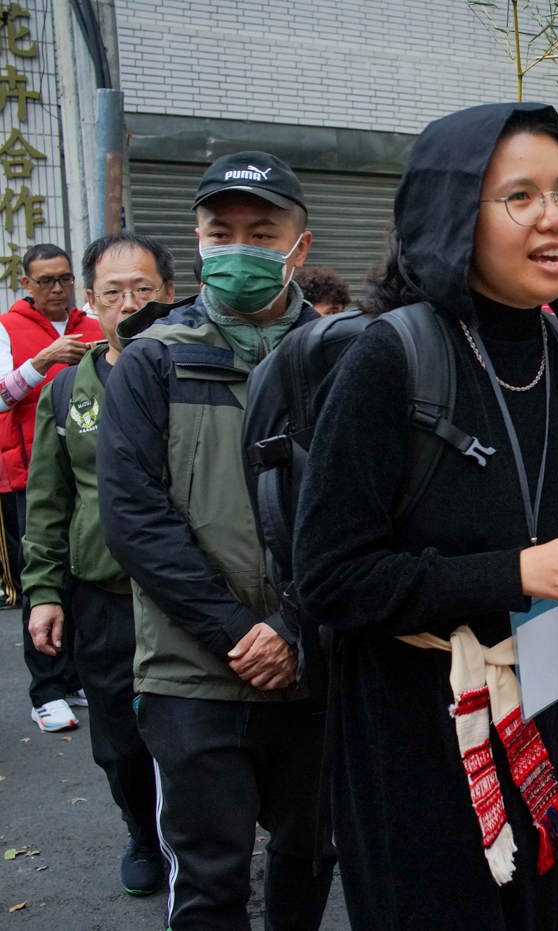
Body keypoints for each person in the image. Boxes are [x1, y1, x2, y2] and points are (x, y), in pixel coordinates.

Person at [292, 103, 558, 931]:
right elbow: (328, 578)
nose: (556, 218)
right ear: (455, 213)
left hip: (546, 687)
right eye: (520, 197)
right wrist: (518, 570)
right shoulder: (389, 359)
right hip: (413, 724)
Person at [98, 150, 335, 929]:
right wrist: (240, 633)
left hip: (316, 665)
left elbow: (372, 512)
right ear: (196, 240)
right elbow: (135, 518)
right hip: (193, 672)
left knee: (311, 851)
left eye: (260, 231)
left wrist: (295, 627)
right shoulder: (153, 359)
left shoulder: (345, 357)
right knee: (209, 878)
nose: (237, 246)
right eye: (219, 230)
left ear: (300, 244)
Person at [23, 232, 174, 895]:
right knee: (118, 738)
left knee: (198, 728)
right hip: (105, 598)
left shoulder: (197, 373)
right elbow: (48, 501)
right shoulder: (66, 393)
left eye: (143, 289)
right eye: (113, 292)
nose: (129, 302)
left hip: (185, 595)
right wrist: (44, 592)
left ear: (168, 294)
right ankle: (143, 833)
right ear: (91, 301)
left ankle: (198, 841)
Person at [3, 243, 102, 732]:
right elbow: (0, 399)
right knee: (41, 577)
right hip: (29, 473)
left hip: (89, 470)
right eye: (45, 281)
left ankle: (76, 675)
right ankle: (46, 690)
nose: (57, 288)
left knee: (82, 571)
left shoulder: (95, 324)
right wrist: (42, 362)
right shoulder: (7, 327)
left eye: (64, 278)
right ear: (26, 284)